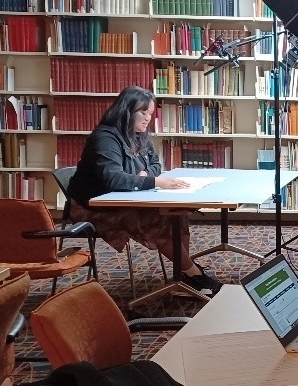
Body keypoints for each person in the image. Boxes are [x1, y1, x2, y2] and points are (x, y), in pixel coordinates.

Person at [66, 85, 221, 294]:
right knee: (155, 218)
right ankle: (194, 275)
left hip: (125, 198)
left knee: (177, 214)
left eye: (150, 113)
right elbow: (113, 179)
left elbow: (156, 164)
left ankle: (184, 275)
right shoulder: (105, 138)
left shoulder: (138, 134)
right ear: (126, 110)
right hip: (96, 207)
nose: (148, 118)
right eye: (143, 112)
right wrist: (156, 182)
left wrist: (145, 175)